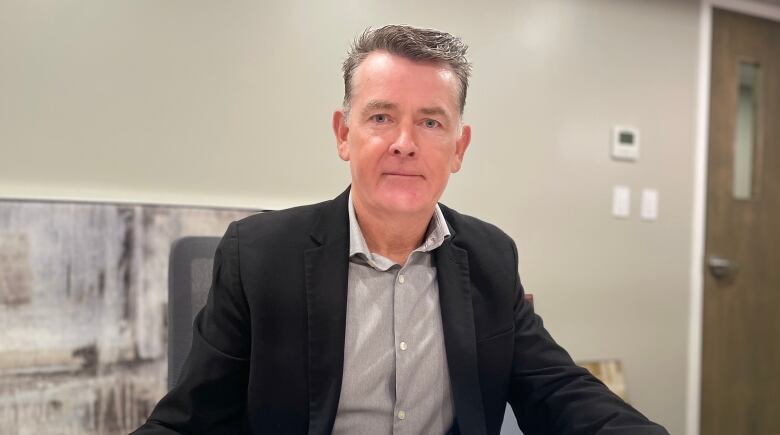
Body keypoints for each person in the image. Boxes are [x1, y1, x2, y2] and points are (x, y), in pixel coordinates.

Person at [132, 25, 669, 435]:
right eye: (382, 117)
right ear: (345, 134)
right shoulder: (259, 257)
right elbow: (189, 422)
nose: (405, 143)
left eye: (431, 122)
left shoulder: (489, 258)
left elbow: (556, 390)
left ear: (458, 148)